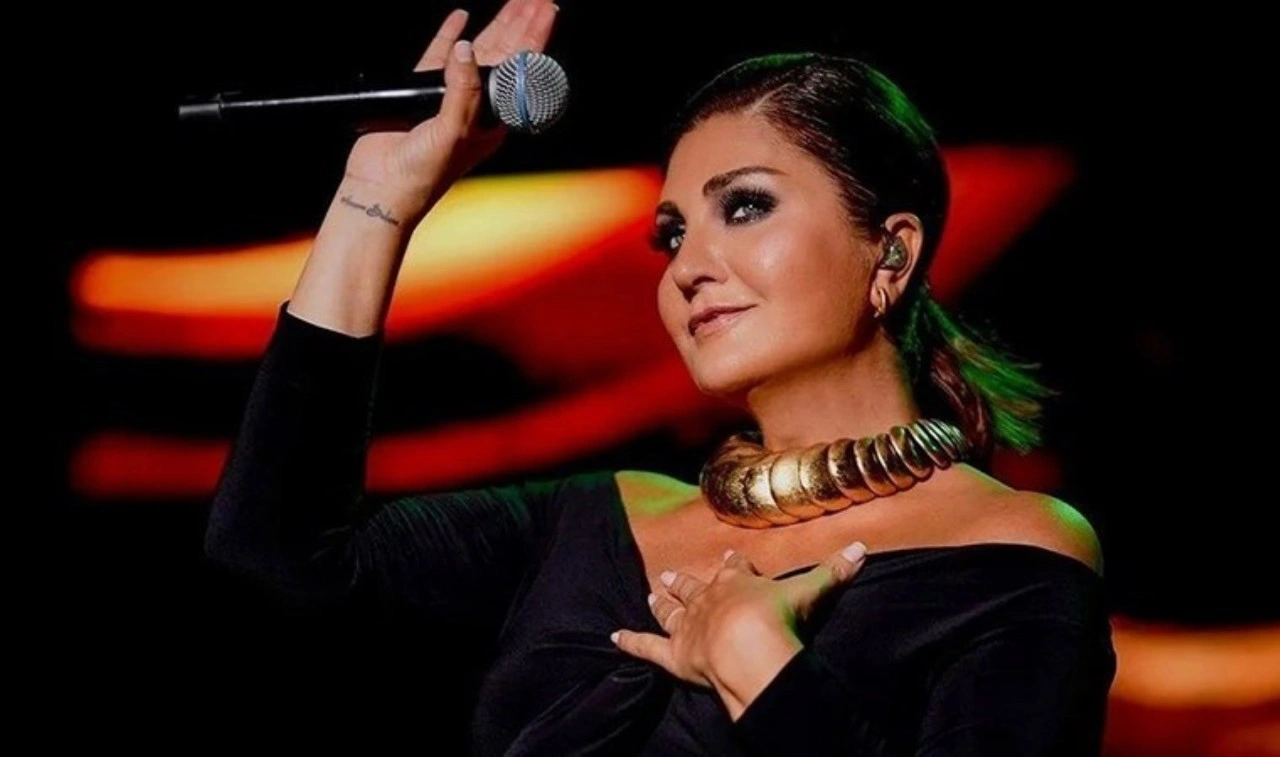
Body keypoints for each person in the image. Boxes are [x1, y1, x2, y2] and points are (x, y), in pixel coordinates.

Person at [203, 1, 1117, 754]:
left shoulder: (1012, 547)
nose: (688, 266)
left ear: (892, 253)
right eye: (672, 234)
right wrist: (376, 199)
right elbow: (275, 555)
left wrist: (760, 662)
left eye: (745, 207)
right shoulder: (597, 520)